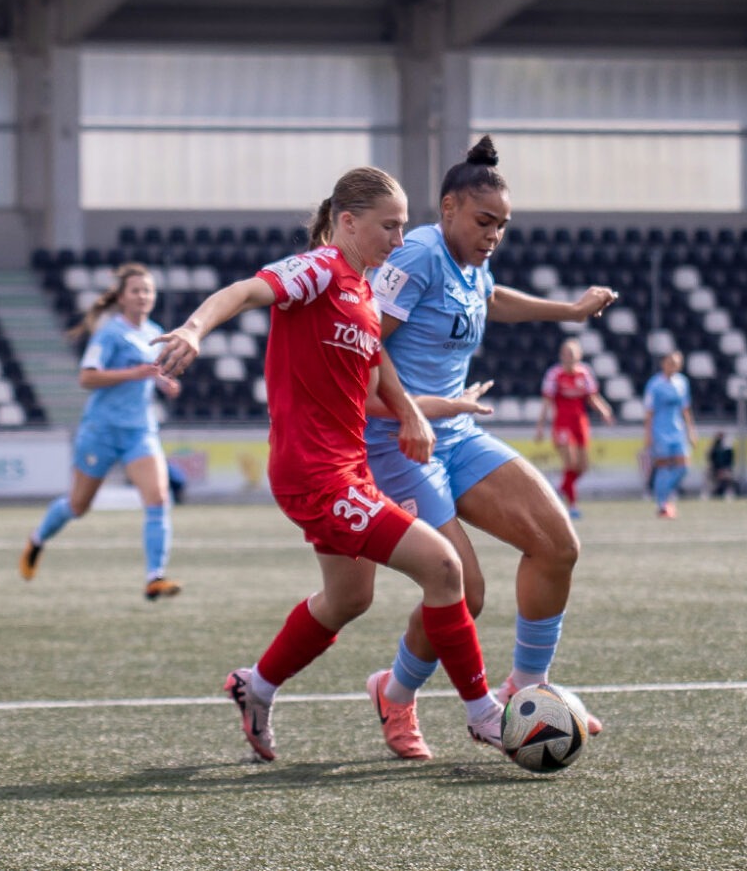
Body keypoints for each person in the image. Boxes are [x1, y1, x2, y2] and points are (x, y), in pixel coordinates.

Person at [154, 166, 504, 762]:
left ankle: (255, 686)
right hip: (315, 474)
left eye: (402, 228)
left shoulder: (365, 293)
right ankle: (485, 714)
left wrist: (424, 412)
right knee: (445, 569)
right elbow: (243, 290)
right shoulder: (318, 270)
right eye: (389, 227)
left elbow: (374, 380)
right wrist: (193, 327)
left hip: (347, 469)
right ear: (347, 222)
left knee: (348, 600)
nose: (400, 240)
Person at [360, 136, 617, 761]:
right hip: (398, 442)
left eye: (502, 225)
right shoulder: (416, 255)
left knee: (557, 545)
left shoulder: (471, 260)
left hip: (455, 433)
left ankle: (528, 690)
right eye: (484, 221)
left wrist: (570, 312)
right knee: (463, 590)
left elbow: (490, 298)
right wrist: (417, 412)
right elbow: (361, 353)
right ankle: (394, 692)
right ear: (447, 207)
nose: (493, 235)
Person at [19, 262, 182, 600]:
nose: (143, 296)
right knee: (78, 506)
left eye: (148, 290)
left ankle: (155, 577)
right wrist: (135, 374)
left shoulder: (154, 331)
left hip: (140, 431)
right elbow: (87, 377)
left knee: (159, 498)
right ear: (122, 297)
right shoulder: (110, 332)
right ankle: (37, 539)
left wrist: (162, 380)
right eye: (136, 290)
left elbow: (146, 371)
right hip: (101, 431)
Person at [534, 336, 614, 519]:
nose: (569, 356)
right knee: (570, 462)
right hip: (562, 423)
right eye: (566, 353)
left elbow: (592, 397)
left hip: (580, 423)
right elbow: (546, 403)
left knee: (583, 466)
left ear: (579, 355)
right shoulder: (554, 375)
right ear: (561, 355)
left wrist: (604, 410)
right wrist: (540, 427)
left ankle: (562, 487)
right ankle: (572, 505)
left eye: (573, 353)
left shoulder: (584, 373)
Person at [644, 350, 695, 519]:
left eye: (676, 363)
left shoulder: (682, 382)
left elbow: (685, 409)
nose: (673, 365)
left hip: (677, 430)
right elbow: (649, 412)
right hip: (660, 430)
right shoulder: (654, 384)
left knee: (684, 467)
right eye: (670, 362)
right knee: (663, 467)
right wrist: (648, 434)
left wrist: (691, 430)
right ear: (663, 363)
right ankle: (662, 504)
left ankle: (665, 496)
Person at [707, 430, 737, 500]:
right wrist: (717, 469)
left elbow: (730, 461)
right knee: (707, 473)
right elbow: (711, 459)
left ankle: (729, 492)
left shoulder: (728, 448)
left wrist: (724, 469)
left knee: (729, 476)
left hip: (725, 469)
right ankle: (707, 493)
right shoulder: (714, 447)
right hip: (715, 469)